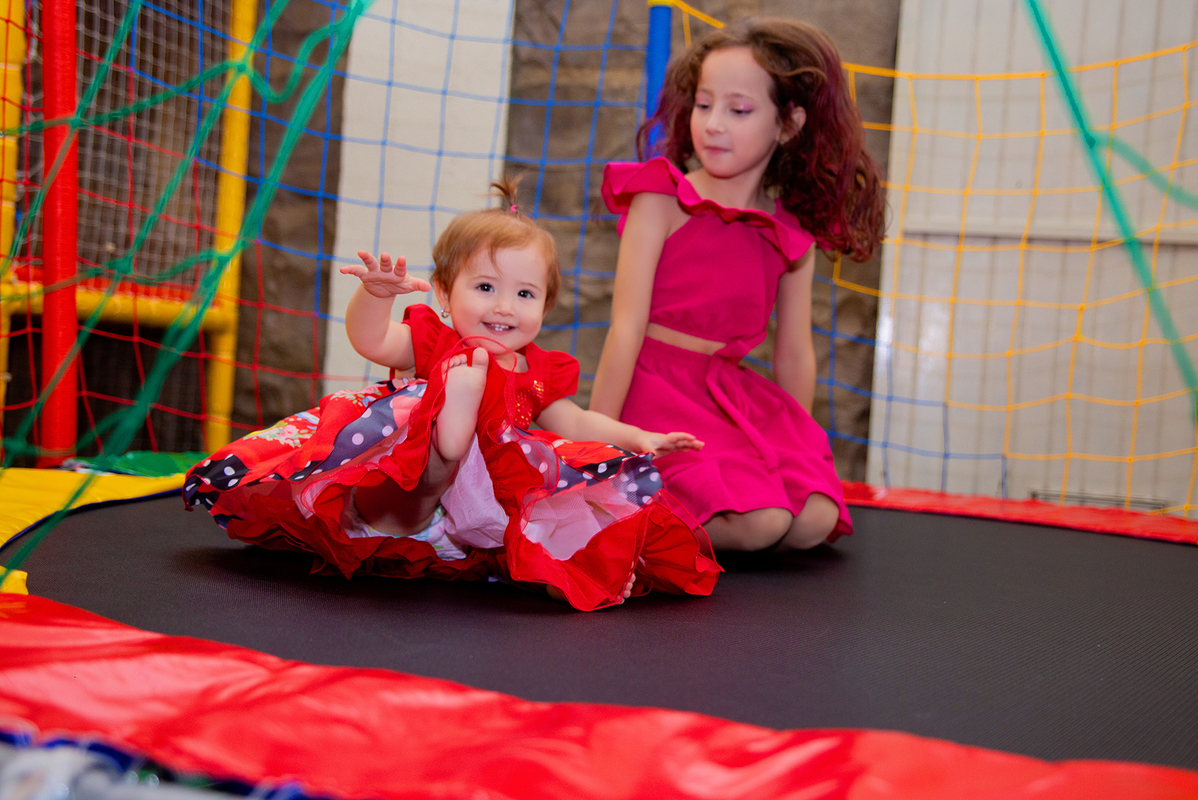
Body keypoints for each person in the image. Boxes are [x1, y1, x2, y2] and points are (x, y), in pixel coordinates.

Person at [184, 181, 720, 611]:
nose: (504, 307)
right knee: (408, 490)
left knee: (557, 507)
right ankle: (446, 434)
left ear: (545, 306)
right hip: (406, 485)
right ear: (443, 292)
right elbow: (372, 340)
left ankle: (573, 576)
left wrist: (638, 436)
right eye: (485, 287)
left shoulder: (538, 370)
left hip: (480, 518)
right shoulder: (435, 343)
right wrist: (375, 296)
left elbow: (577, 422)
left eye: (524, 294)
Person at [590, 18, 886, 553]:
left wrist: (799, 445)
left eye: (739, 110)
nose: (713, 125)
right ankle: (625, 523)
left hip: (730, 395)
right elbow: (625, 329)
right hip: (656, 389)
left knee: (814, 519)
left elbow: (794, 353)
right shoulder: (662, 197)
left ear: (788, 124)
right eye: (704, 105)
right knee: (761, 523)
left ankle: (685, 516)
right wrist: (596, 446)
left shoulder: (790, 230)